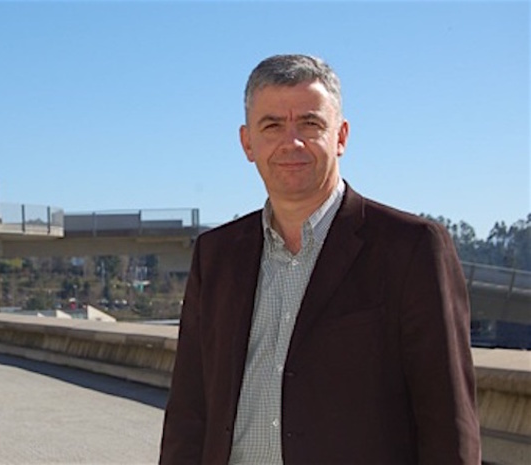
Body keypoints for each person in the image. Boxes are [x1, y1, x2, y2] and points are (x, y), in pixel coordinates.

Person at [159, 54, 480, 464]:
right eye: (272, 125)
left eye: (310, 124)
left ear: (341, 136)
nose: (291, 142)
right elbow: (190, 409)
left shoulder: (412, 248)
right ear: (247, 143)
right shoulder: (215, 255)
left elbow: (446, 420)